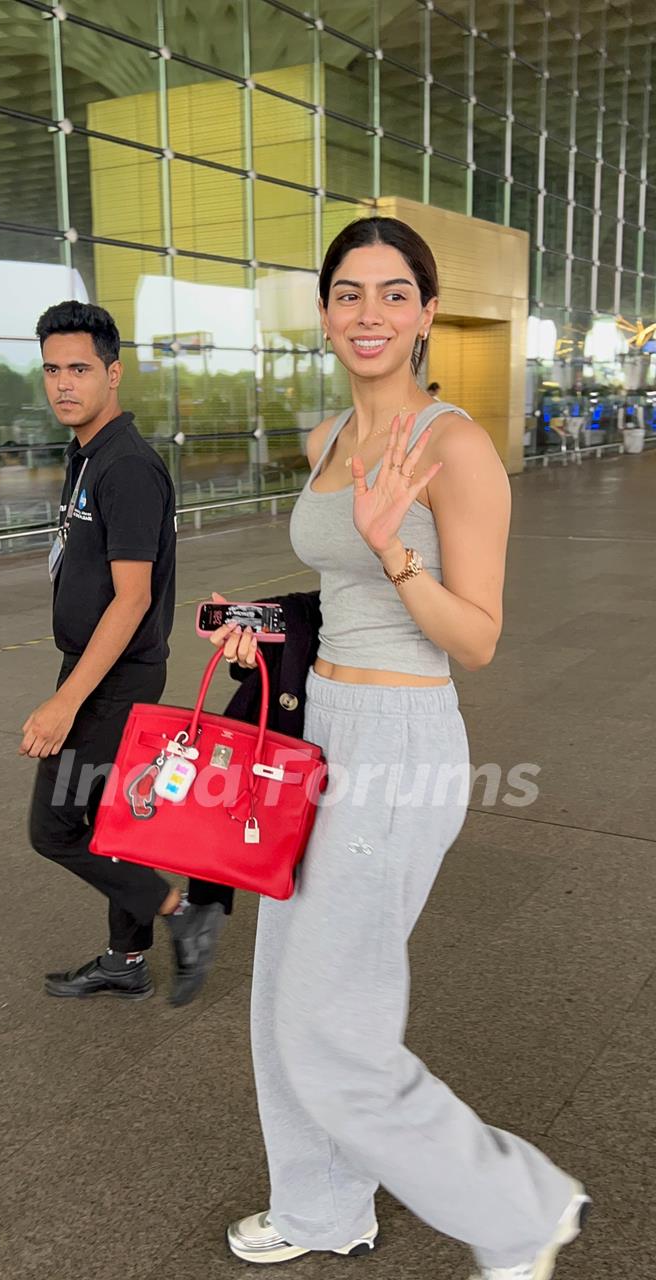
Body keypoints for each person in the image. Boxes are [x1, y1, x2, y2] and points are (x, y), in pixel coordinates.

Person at [211, 218, 588, 1277]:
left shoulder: (454, 444)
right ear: (325, 311)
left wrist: (396, 554)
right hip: (320, 726)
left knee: (335, 1014)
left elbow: (478, 636)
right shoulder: (334, 432)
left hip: (397, 744)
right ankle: (322, 1204)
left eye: (390, 293)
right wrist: (264, 631)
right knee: (284, 991)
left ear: (425, 311)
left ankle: (519, 1203)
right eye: (346, 293)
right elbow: (341, 598)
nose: (366, 313)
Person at [24, 300, 227, 1005]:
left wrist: (65, 700)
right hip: (98, 667)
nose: (63, 384)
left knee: (54, 827)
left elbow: (132, 599)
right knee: (112, 818)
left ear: (114, 375)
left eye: (79, 368)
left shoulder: (126, 467)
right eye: (52, 369)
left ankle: (184, 911)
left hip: (113, 675)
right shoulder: (88, 456)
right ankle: (126, 957)